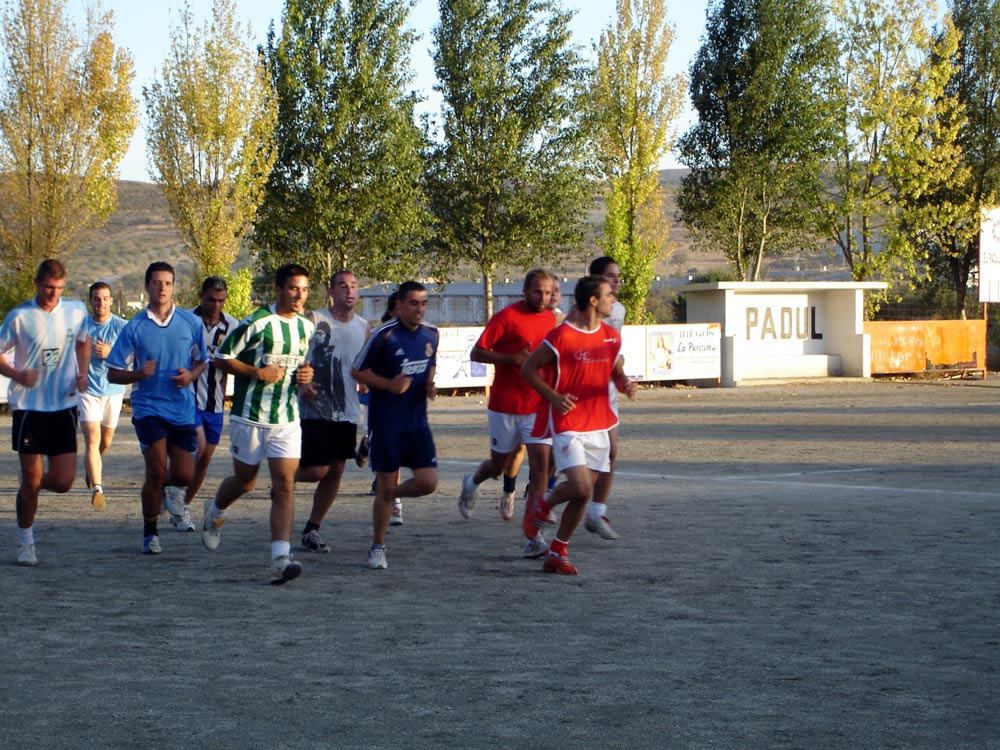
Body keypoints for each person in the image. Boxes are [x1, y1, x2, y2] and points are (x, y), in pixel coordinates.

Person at [200, 264, 314, 585]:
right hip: (249, 415)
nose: (299, 295)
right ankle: (215, 511)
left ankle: (281, 557)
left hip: (287, 419)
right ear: (278, 289)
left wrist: (307, 377)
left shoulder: (307, 327)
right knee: (245, 482)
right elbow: (222, 358)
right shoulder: (258, 322)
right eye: (293, 288)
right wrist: (257, 372)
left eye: (304, 290)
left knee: (285, 484)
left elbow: (304, 366)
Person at [521, 275, 636, 575]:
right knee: (581, 486)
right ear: (593, 301)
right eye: (609, 294)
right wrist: (553, 396)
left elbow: (614, 370)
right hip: (568, 423)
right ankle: (542, 506)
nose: (614, 299)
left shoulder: (611, 336)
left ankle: (557, 551)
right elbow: (528, 368)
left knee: (583, 494)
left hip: (599, 423)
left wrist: (624, 384)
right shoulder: (562, 336)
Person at [106, 262, 207, 555]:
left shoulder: (190, 323)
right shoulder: (135, 327)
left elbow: (202, 361)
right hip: (148, 407)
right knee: (157, 469)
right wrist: (138, 374)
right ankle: (150, 531)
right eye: (157, 283)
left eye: (167, 283)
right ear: (147, 286)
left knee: (185, 475)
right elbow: (113, 373)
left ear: (174, 287)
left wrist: (191, 375)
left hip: (182, 408)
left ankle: (163, 490)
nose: (162, 288)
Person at [0, 260, 90, 567]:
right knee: (31, 477)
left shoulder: (76, 311)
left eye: (59, 289)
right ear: (37, 284)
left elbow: (84, 342)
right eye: (49, 288)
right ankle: (26, 541)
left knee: (63, 482)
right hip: (29, 407)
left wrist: (83, 372)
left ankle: (32, 485)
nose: (53, 294)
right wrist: (16, 373)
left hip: (63, 405)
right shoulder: (19, 317)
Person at [458, 270, 556, 543]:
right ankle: (472, 482)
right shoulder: (506, 317)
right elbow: (477, 352)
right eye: (538, 291)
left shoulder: (551, 319)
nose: (543, 297)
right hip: (505, 404)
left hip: (536, 405)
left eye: (548, 292)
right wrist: (513, 359)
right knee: (498, 466)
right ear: (525, 291)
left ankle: (533, 536)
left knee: (540, 467)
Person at [352, 281, 439, 570]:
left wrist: (429, 384)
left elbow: (430, 361)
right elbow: (357, 371)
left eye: (424, 303)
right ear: (399, 305)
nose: (420, 309)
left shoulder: (431, 334)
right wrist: (389, 384)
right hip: (386, 424)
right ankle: (377, 546)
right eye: (414, 303)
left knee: (428, 483)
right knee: (386, 484)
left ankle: (389, 495)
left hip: (417, 423)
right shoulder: (383, 335)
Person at [295, 270, 370, 553]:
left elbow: (363, 365)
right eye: (342, 286)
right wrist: (303, 381)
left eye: (353, 286)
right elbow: (297, 356)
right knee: (317, 470)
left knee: (337, 469)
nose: (349, 291)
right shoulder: (314, 320)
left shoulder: (364, 326)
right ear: (331, 292)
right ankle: (283, 478)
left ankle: (312, 529)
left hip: (347, 408)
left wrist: (367, 381)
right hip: (315, 406)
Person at [163, 276, 237, 532]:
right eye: (211, 300)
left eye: (221, 301)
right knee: (197, 446)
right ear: (201, 297)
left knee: (205, 459)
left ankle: (182, 505)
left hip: (215, 404)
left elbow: (239, 360)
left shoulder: (233, 326)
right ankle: (169, 489)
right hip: (187, 400)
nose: (216, 305)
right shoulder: (184, 321)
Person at [581, 255, 627, 540]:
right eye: (611, 276)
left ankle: (597, 512)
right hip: (579, 392)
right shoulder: (578, 313)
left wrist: (621, 375)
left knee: (610, 451)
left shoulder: (618, 309)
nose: (617, 281)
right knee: (569, 459)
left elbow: (613, 351)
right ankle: (544, 495)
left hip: (605, 390)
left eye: (618, 276)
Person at [79, 281, 127, 510]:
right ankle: (97, 488)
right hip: (88, 390)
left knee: (105, 443)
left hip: (113, 390)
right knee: (92, 439)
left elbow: (133, 357)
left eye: (105, 298)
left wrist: (111, 353)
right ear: (90, 301)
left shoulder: (122, 327)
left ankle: (92, 465)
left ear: (111, 300)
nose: (101, 303)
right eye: (96, 299)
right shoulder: (82, 327)